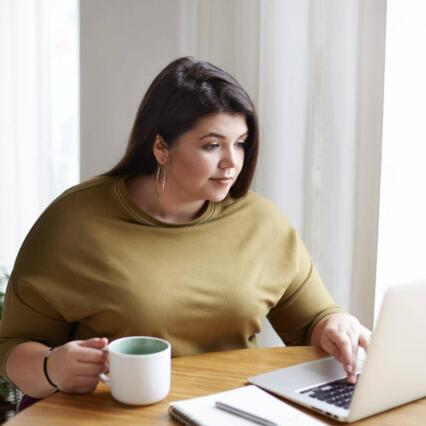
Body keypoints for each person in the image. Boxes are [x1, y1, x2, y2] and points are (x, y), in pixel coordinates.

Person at [0, 57, 370, 400]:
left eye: (240, 144)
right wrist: (52, 367)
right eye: (212, 145)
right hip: (116, 416)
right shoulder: (74, 221)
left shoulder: (261, 222)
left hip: (235, 412)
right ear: (161, 147)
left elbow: (313, 322)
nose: (232, 162)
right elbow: (12, 346)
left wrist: (338, 327)